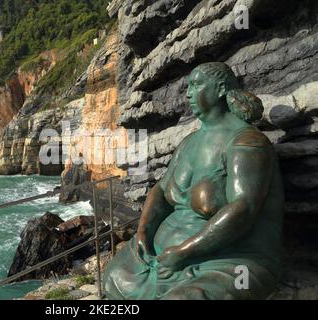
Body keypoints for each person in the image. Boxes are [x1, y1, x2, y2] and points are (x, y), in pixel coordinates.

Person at [103, 62, 284, 300]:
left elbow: (244, 209)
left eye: (196, 84)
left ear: (220, 89)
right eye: (188, 85)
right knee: (113, 277)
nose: (188, 93)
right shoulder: (188, 142)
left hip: (232, 261)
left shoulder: (248, 142)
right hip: (165, 257)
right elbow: (161, 190)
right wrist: (143, 231)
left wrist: (183, 253)